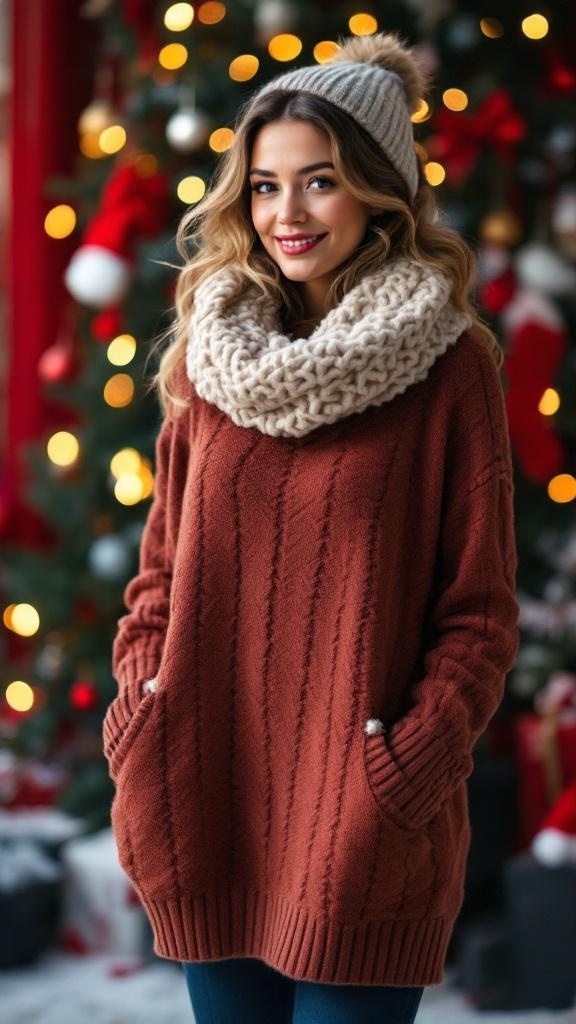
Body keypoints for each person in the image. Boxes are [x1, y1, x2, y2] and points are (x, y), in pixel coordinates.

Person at [102, 31, 520, 1024]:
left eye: (320, 180)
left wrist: (402, 772)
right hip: (205, 802)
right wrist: (141, 715)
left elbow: (480, 617)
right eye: (264, 184)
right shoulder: (212, 358)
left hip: (362, 832)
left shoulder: (452, 368)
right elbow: (159, 576)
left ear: (377, 189)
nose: (286, 213)